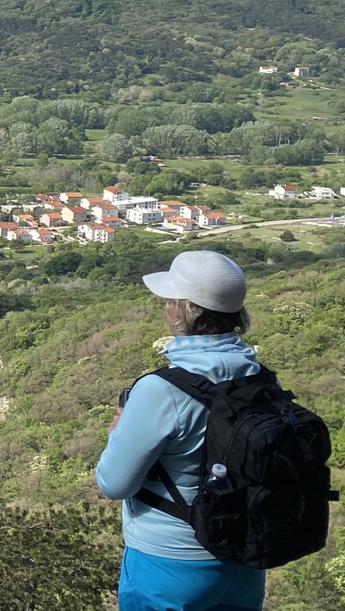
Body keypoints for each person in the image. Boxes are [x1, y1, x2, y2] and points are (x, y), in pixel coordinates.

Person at [96, 250, 266, 611]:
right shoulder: (259, 377)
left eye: (170, 300)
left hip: (169, 563)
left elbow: (114, 484)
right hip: (245, 559)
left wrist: (116, 431)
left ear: (181, 310)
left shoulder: (162, 390)